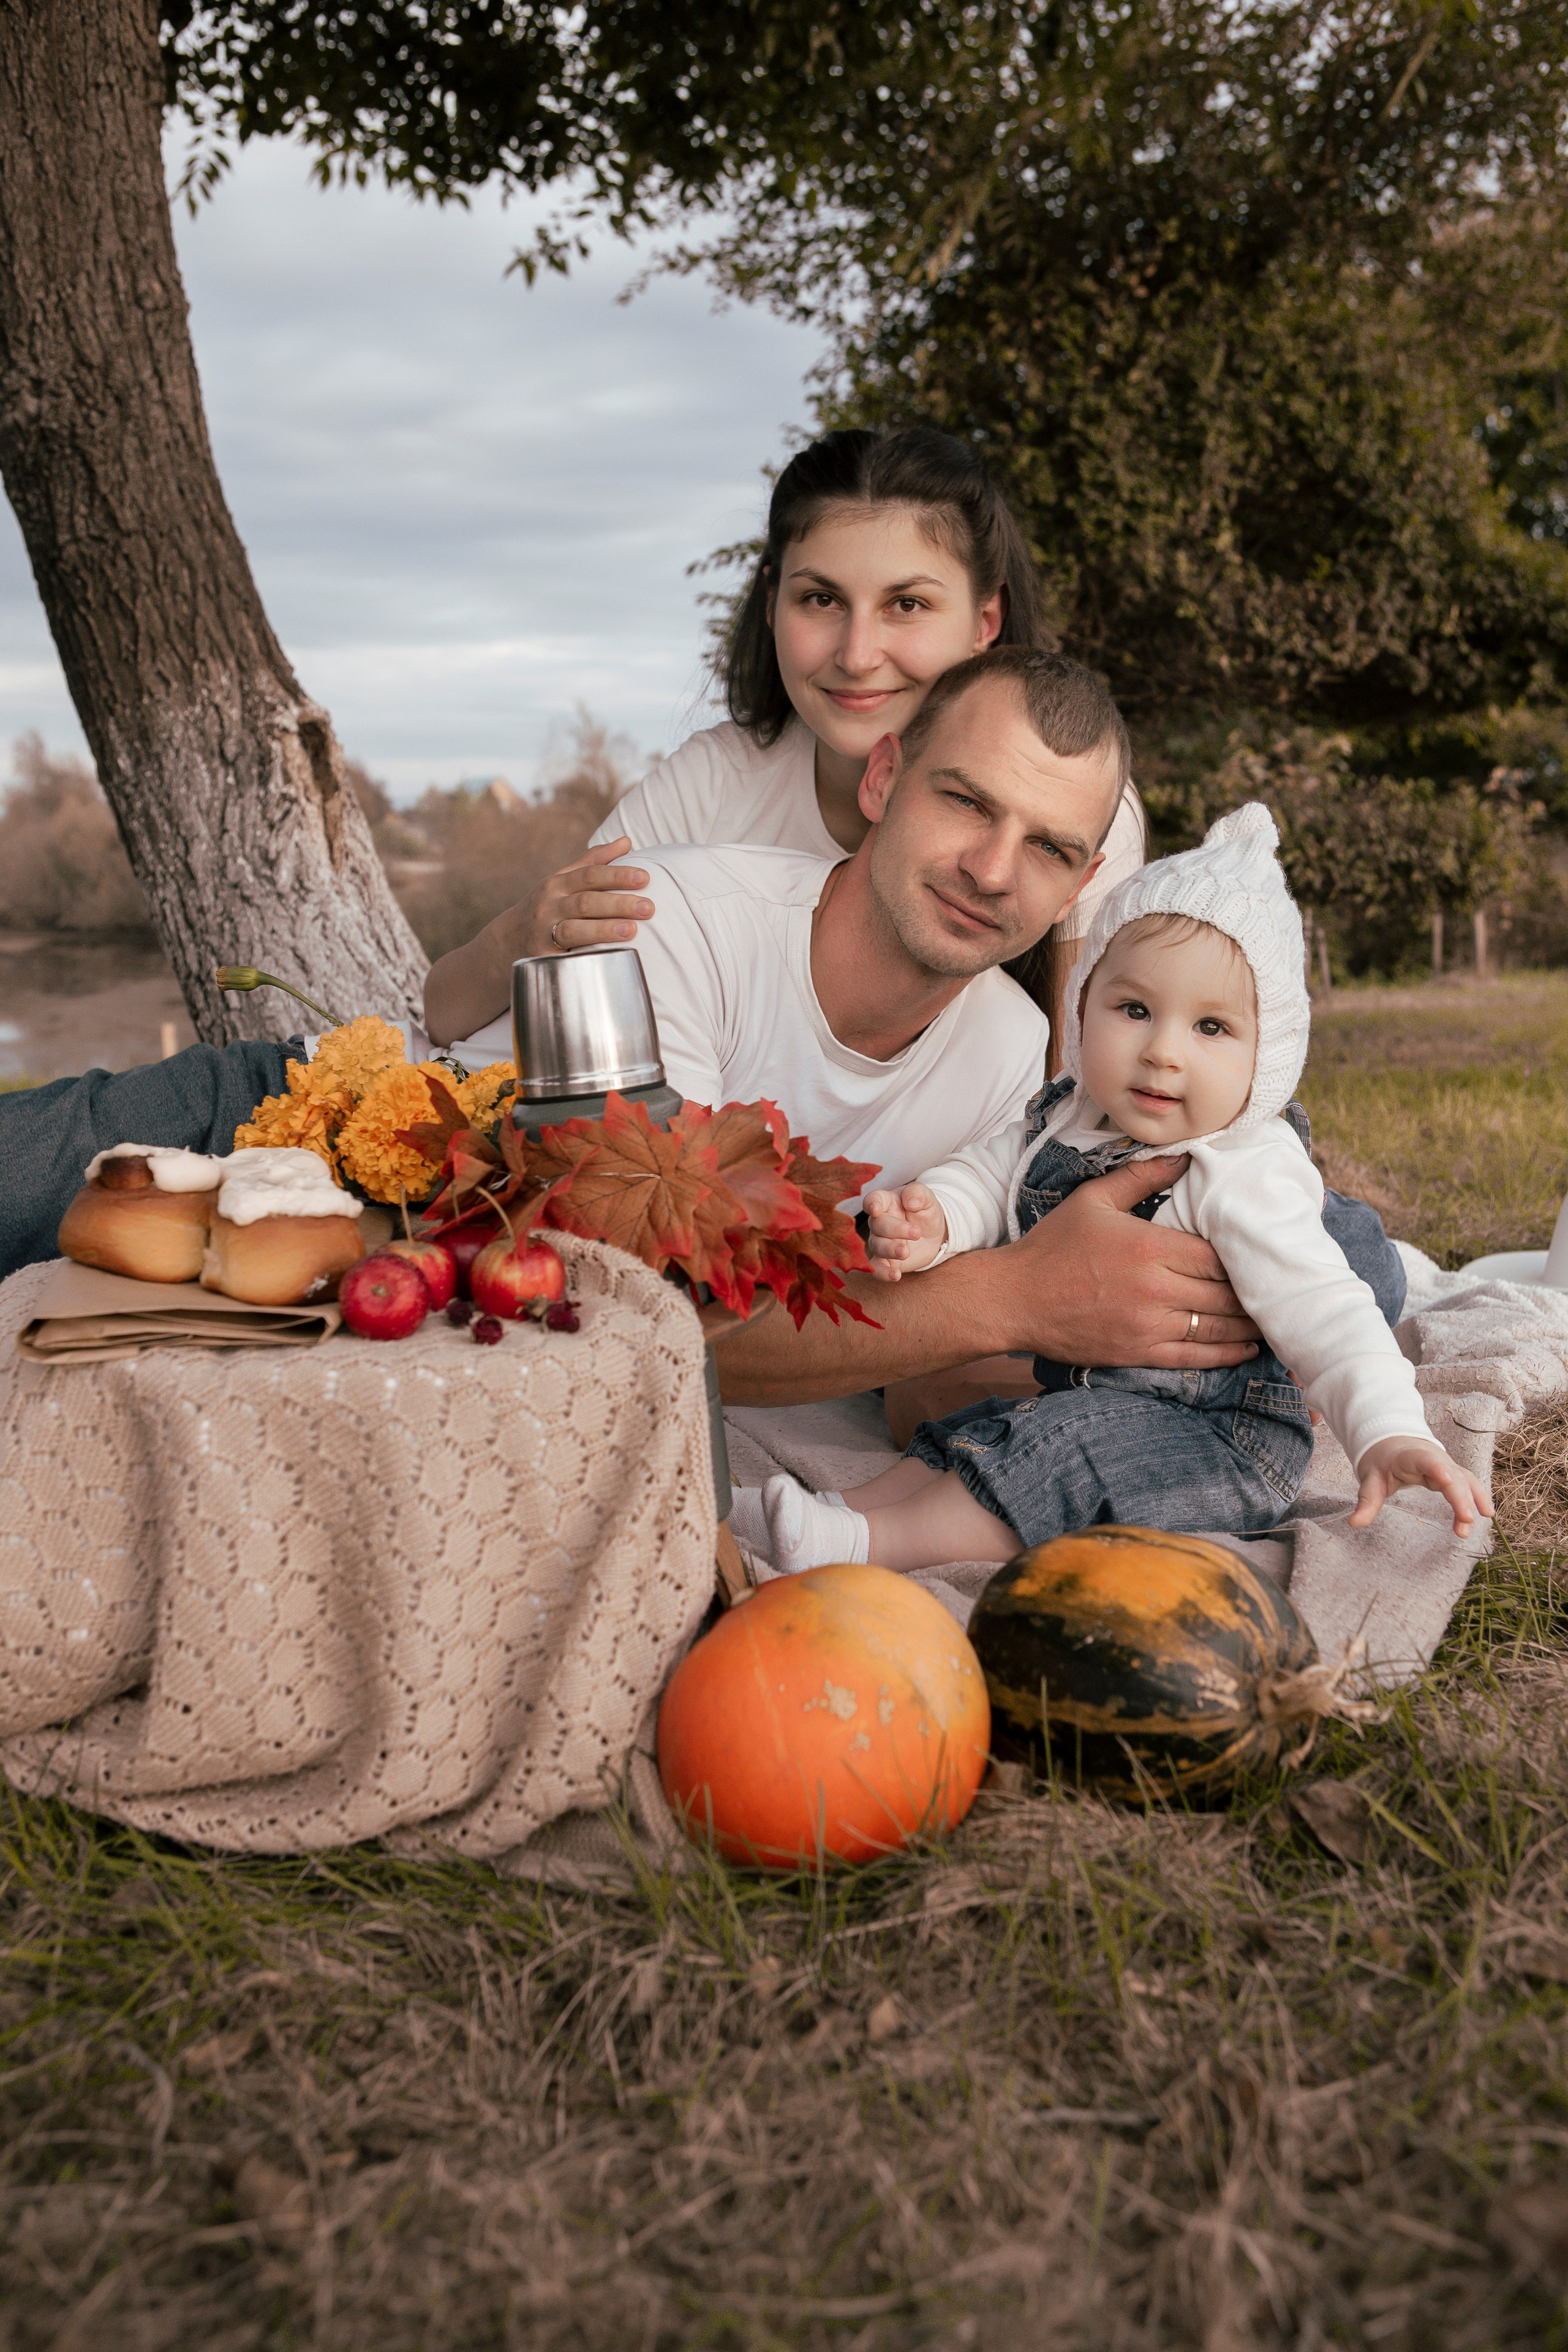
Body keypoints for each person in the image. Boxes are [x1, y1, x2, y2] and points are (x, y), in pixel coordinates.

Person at [744, 805, 1491, 1578]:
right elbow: (989, 1172)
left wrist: (1389, 1432)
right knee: (978, 1433)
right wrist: (935, 1215)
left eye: (1210, 1028)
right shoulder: (1070, 1115)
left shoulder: (1240, 1167)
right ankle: (833, 1511)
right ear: (1083, 1008)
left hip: (1209, 1441)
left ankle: (869, 1547)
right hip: (1086, 1395)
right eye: (1134, 1010)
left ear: (1267, 1055)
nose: (1162, 1053)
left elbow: (1330, 1315)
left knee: (1052, 1460)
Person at [421, 424, 1147, 1050]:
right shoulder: (711, 789)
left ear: (985, 622)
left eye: (908, 604)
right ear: (772, 604)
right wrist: (517, 939)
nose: (858, 653)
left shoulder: (1069, 818)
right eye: (821, 599)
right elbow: (458, 1016)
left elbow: (1068, 1097)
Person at [436, 644, 1126, 1188]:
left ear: (1077, 888)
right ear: (882, 779)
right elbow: (648, 1271)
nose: (993, 872)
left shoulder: (1009, 1044)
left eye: (1047, 848)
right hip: (387, 1215)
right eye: (966, 803)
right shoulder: (665, 917)